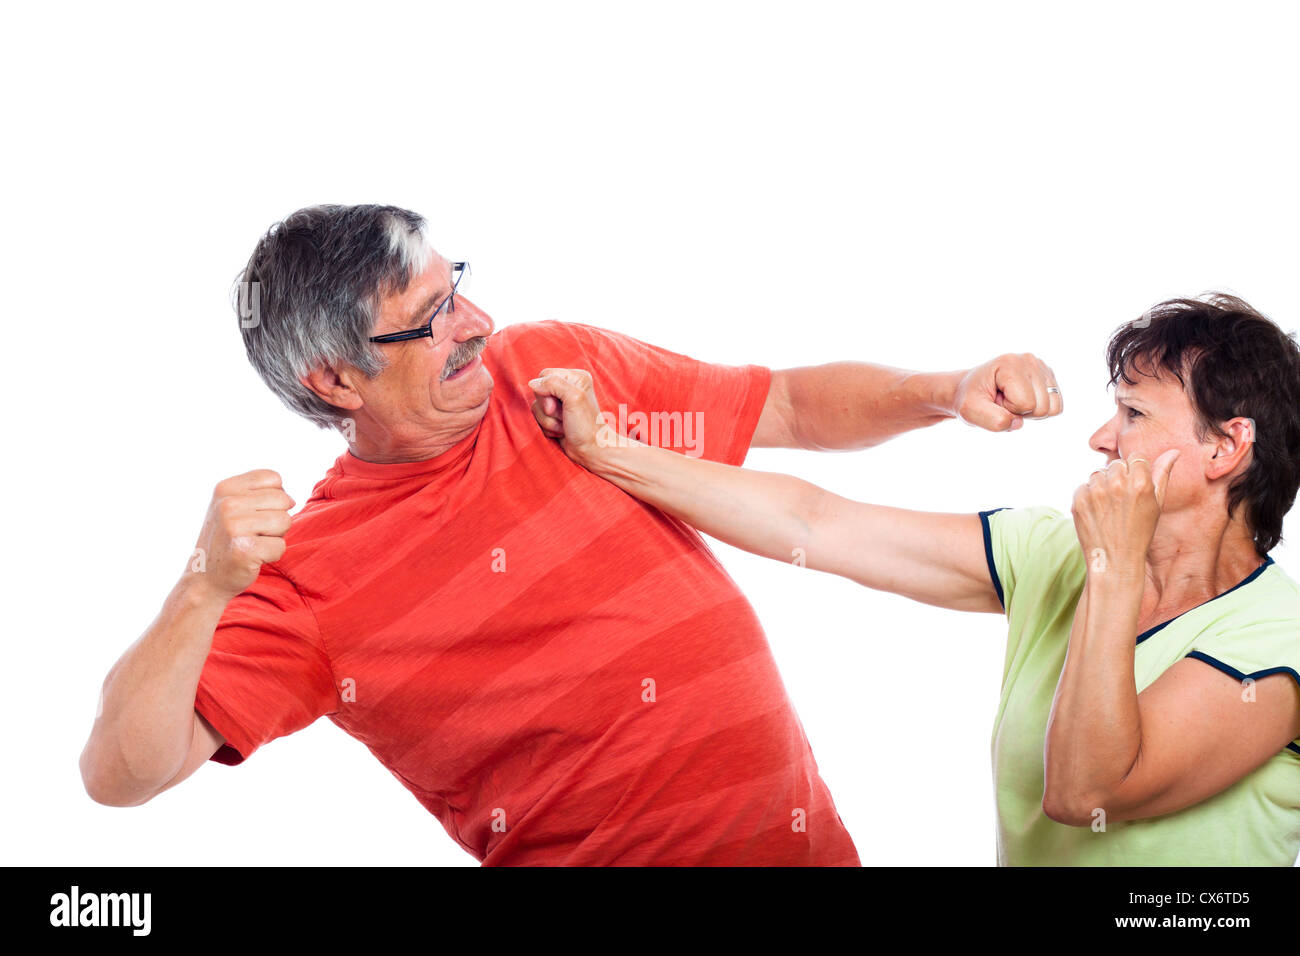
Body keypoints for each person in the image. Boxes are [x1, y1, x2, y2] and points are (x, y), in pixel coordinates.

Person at [78, 203, 1061, 866]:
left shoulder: (549, 371)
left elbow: (792, 405)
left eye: (455, 286)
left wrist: (944, 390)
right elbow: (119, 774)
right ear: (333, 380)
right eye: (430, 318)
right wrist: (201, 590)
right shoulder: (309, 576)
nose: (479, 322)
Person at [529, 293, 1300, 865]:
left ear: (1226, 448)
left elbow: (1086, 791)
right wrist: (609, 452)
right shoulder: (1054, 552)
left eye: (1133, 414)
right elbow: (814, 525)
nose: (1100, 439)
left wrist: (1111, 565)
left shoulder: (1277, 637)